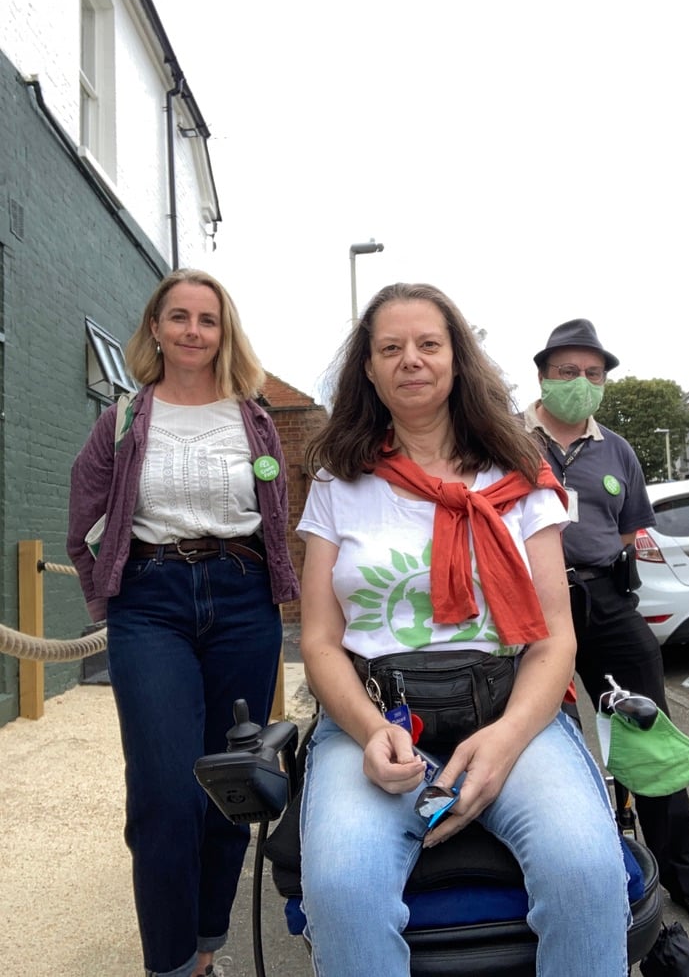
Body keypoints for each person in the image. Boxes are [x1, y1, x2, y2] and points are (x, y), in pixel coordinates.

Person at [296, 282, 631, 977]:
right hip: (377, 713)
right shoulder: (337, 477)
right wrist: (366, 730)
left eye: (428, 344)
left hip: (509, 708)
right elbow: (320, 642)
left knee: (588, 873)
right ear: (368, 367)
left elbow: (553, 640)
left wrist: (507, 741)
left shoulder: (520, 472)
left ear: (457, 358)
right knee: (341, 890)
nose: (410, 359)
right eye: (390, 347)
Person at [67, 268, 300, 977]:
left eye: (208, 318)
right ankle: (169, 966)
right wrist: (106, 592)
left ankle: (205, 948)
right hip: (151, 601)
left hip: (240, 600)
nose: (193, 331)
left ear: (224, 330)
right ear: (156, 330)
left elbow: (278, 512)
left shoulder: (254, 415)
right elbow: (83, 521)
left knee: (232, 782)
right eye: (179, 317)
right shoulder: (125, 419)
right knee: (165, 794)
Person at [522, 317, 689, 930]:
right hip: (530, 609)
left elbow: (625, 529)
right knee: (542, 747)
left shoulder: (617, 449)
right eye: (567, 372)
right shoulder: (504, 439)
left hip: (604, 601)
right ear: (542, 376)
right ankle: (555, 882)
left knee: (648, 735)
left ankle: (686, 878)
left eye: (592, 374)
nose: (580, 383)